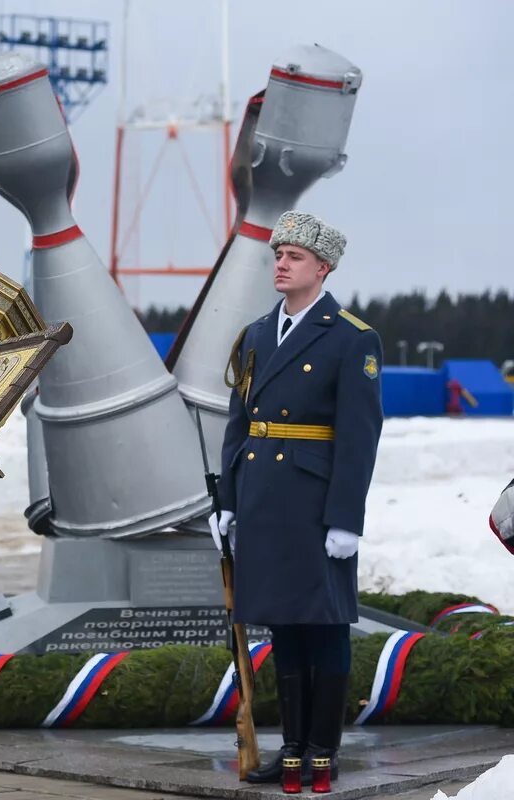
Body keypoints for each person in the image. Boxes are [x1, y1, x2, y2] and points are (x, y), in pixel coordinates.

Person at [211, 211, 383, 788]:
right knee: (284, 624)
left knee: (325, 625)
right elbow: (241, 422)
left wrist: (346, 519)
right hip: (263, 500)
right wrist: (227, 501)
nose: (280, 264)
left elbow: (360, 436)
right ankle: (290, 749)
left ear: (323, 268)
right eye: (278, 255)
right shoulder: (258, 333)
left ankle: (322, 750)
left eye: (294, 257)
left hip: (316, 503)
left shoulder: (352, 338)